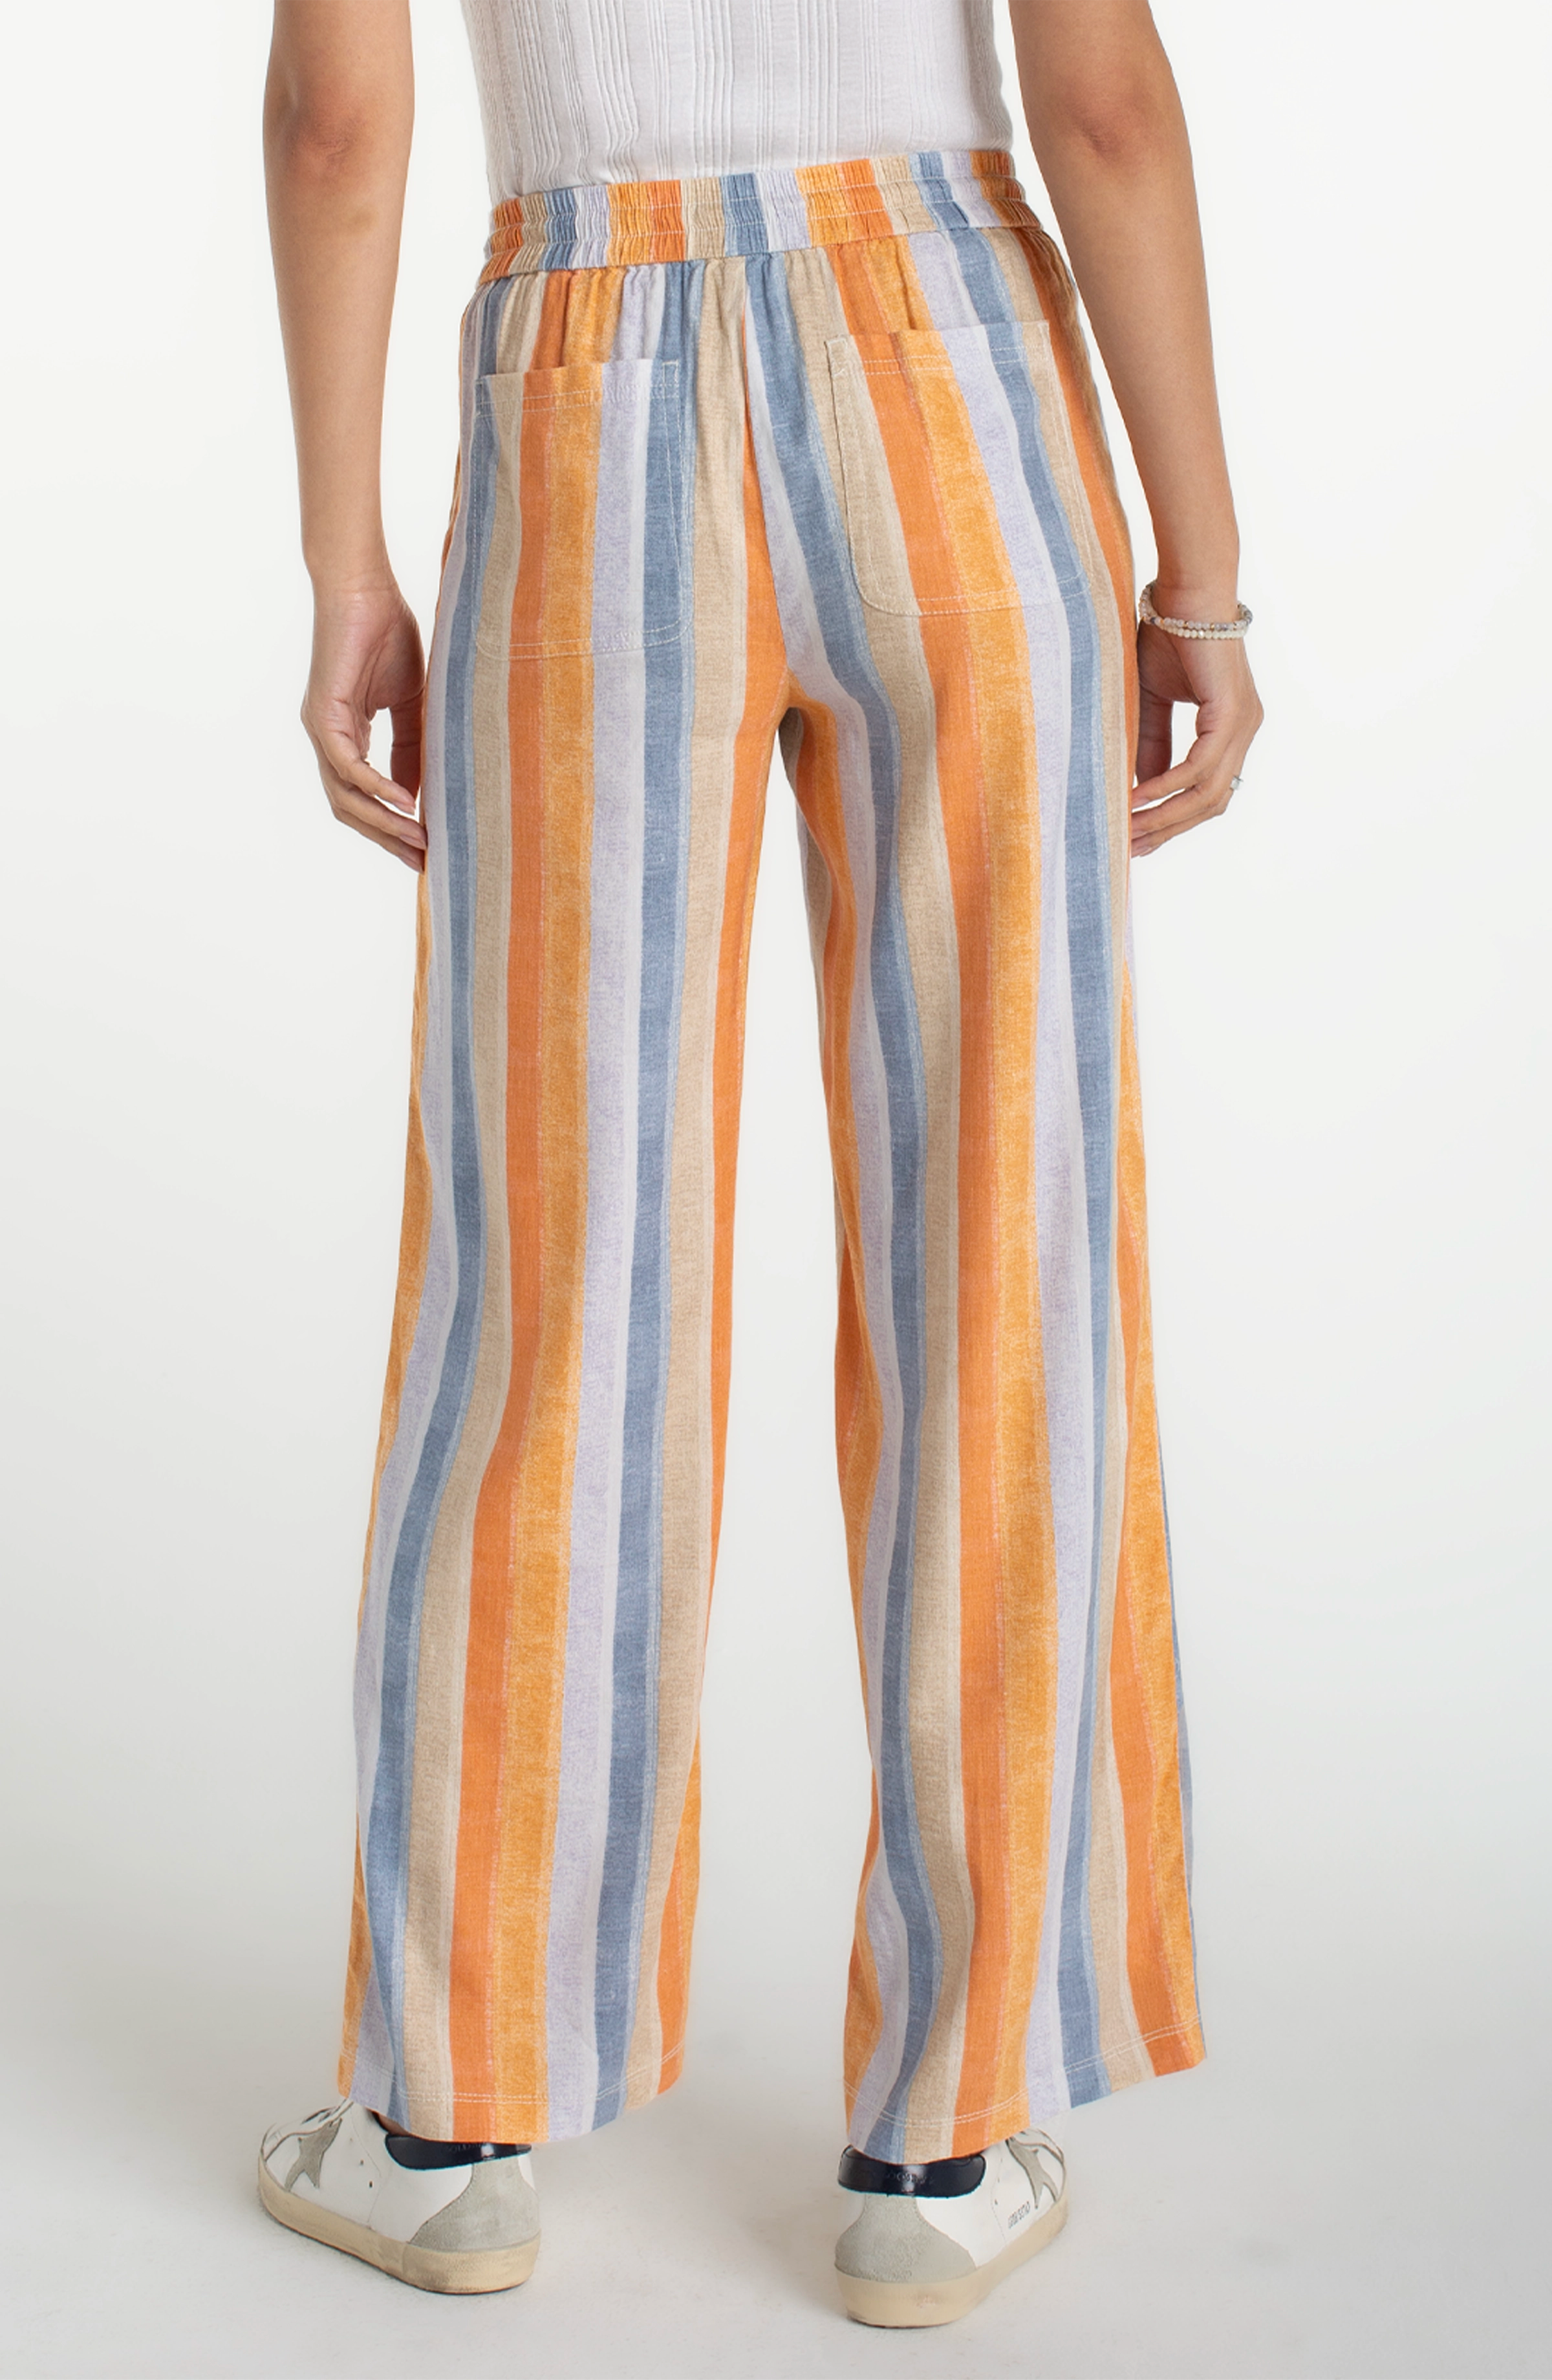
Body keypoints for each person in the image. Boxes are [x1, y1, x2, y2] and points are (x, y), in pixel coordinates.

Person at [257, 0, 1262, 2327]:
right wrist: (1200, 581)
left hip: (585, 390)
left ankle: (447, 2129)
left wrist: (343, 567)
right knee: (1004, 1248)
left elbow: (332, 120)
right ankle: (947, 2140)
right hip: (963, 380)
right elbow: (1104, 102)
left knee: (556, 1269)